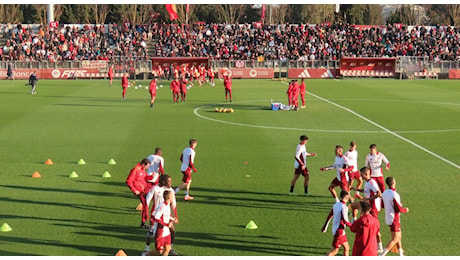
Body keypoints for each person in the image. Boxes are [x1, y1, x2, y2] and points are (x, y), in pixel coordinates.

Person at [143, 175, 179, 256]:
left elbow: (174, 204)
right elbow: (147, 200)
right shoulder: (155, 188)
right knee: (151, 232)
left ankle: (170, 248)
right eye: (169, 181)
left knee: (172, 231)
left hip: (166, 214)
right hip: (156, 214)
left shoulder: (170, 190)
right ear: (163, 182)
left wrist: (175, 216)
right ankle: (146, 249)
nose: (170, 183)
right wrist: (146, 213)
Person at [350, 166, 384, 253]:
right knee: (353, 206)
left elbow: (379, 194)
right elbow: (366, 190)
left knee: (375, 227)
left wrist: (368, 199)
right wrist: (356, 189)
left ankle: (380, 246)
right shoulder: (368, 182)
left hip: (373, 207)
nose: (361, 176)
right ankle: (354, 221)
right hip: (366, 204)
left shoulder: (372, 182)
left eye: (362, 175)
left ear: (366, 174)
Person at [380, 176, 409, 256]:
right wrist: (405, 209)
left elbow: (382, 205)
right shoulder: (395, 194)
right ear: (393, 183)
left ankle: (401, 254)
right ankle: (381, 256)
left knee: (398, 235)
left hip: (388, 217)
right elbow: (398, 209)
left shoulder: (385, 193)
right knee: (395, 239)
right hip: (394, 219)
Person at [321, 190, 353, 256]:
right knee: (334, 251)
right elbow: (346, 221)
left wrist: (325, 227)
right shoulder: (344, 207)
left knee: (346, 247)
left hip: (337, 230)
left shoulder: (336, 205)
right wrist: (354, 226)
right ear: (346, 198)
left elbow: (329, 216)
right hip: (339, 232)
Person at [126, 158, 151, 228]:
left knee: (146, 205)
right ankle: (144, 222)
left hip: (144, 190)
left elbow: (145, 178)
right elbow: (128, 181)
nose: (147, 168)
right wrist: (134, 190)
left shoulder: (142, 170)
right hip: (140, 192)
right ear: (143, 164)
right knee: (145, 205)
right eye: (147, 166)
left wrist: (152, 176)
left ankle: (145, 222)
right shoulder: (135, 170)